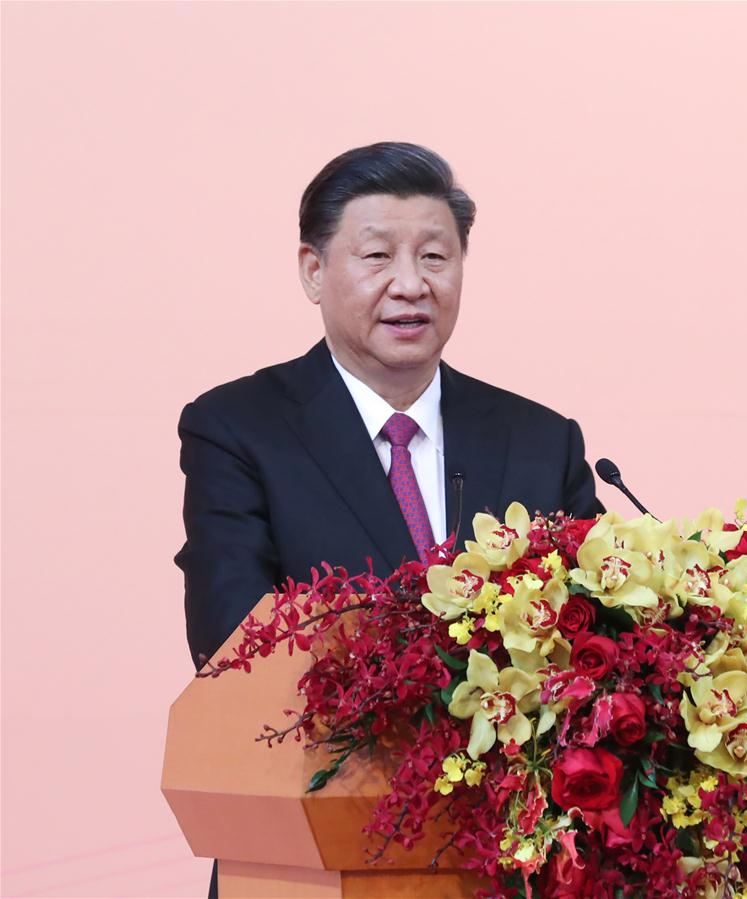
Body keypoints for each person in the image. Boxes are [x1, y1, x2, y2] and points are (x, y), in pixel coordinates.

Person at [173, 141, 603, 898]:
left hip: (510, 863)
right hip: (314, 858)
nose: (411, 284)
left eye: (435, 257)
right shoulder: (239, 428)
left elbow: (600, 640)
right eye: (377, 256)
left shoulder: (539, 439)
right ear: (313, 271)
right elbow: (231, 638)